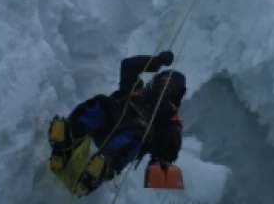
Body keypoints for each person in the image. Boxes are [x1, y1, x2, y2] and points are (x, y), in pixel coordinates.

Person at [48, 50, 186, 195]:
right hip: (115, 125)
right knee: (102, 104)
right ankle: (75, 142)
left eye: (171, 86)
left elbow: (169, 146)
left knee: (130, 128)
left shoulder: (167, 116)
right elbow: (128, 65)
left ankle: (99, 162)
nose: (166, 88)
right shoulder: (139, 92)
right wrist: (157, 61)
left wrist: (164, 155)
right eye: (165, 83)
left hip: (128, 134)